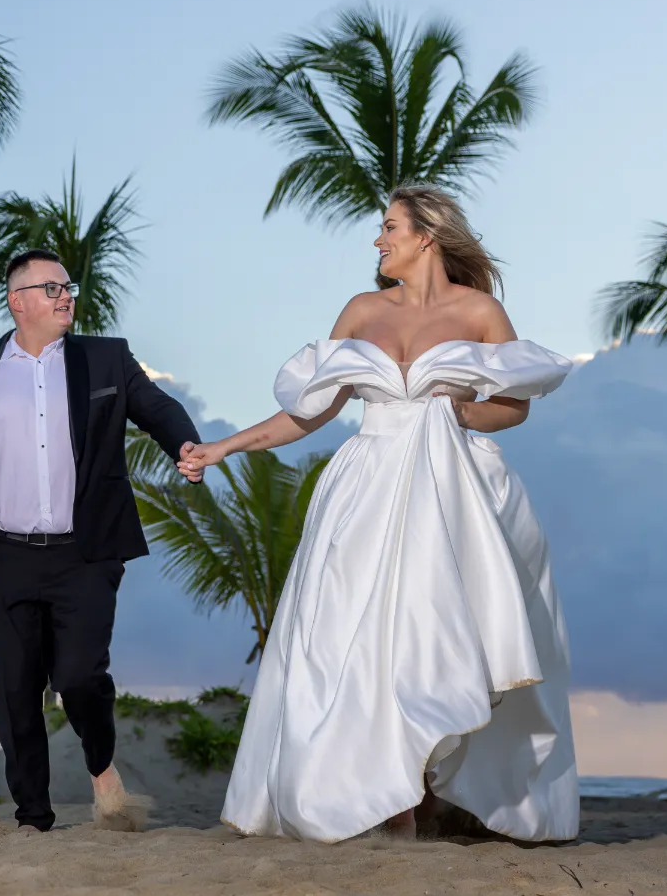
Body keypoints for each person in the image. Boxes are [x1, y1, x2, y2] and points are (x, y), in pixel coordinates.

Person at [179, 185, 578, 843]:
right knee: (348, 642)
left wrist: (451, 410)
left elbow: (513, 407)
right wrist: (223, 446)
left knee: (432, 637)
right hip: (365, 487)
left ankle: (425, 794)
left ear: (427, 234)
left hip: (448, 486)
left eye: (388, 226)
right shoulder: (361, 309)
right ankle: (378, 797)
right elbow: (311, 410)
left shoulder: (479, 310)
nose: (378, 239)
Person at [0, 248, 203, 832]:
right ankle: (33, 816)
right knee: (14, 689)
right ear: (18, 302)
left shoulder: (105, 360)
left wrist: (185, 446)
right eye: (51, 288)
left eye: (68, 287)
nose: (66, 296)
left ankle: (100, 765)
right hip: (2, 554)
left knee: (80, 678)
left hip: (85, 552)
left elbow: (156, 407)